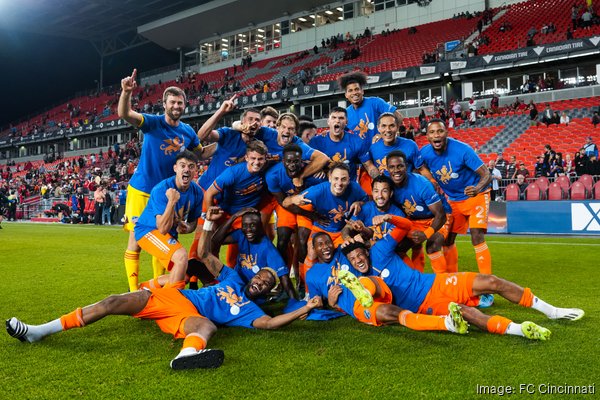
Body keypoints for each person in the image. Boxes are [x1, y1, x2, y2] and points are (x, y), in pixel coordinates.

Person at [6, 207, 323, 371]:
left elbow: (269, 323)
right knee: (114, 301)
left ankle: (187, 355)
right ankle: (40, 330)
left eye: (266, 284)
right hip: (174, 295)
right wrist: (209, 222)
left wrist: (306, 308)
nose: (261, 282)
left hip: (187, 314)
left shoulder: (252, 310)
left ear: (266, 292)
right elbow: (207, 254)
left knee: (206, 324)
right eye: (261, 277)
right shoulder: (232, 279)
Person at [340, 214, 584, 340]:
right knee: (467, 314)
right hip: (424, 306)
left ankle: (552, 311)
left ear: (366, 251)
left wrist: (389, 218)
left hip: (434, 282)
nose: (358, 260)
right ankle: (520, 329)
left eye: (360, 254)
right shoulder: (363, 278)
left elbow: (404, 227)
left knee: (491, 282)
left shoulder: (380, 251)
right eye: (352, 260)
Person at [118, 69, 205, 292]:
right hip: (142, 189)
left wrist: (232, 145)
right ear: (164, 104)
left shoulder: (188, 132)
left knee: (164, 240)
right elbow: (125, 114)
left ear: (185, 105)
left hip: (167, 194)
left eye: (180, 103)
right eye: (172, 102)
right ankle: (133, 292)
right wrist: (126, 92)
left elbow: (201, 153)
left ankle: (159, 292)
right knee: (135, 242)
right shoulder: (153, 123)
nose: (176, 106)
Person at [305, 232, 467, 333]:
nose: (326, 247)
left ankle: (363, 290)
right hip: (356, 306)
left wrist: (356, 235)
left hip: (373, 284)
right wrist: (331, 303)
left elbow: (359, 242)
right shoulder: (312, 275)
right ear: (313, 249)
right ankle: (447, 323)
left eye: (328, 243)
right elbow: (316, 303)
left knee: (367, 282)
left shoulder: (342, 251)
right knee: (397, 315)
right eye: (320, 245)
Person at [420, 119, 493, 275]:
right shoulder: (425, 153)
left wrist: (477, 188)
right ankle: (452, 280)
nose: (436, 135)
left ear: (446, 133)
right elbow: (417, 166)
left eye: (440, 131)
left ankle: (488, 286)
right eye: (432, 132)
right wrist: (430, 179)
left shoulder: (463, 150)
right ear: (427, 136)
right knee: (448, 240)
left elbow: (487, 174)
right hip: (453, 199)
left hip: (476, 196)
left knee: (476, 235)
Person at [283, 162, 368, 283]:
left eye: (343, 179)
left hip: (342, 230)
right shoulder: (317, 191)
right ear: (329, 178)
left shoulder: (355, 188)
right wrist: (293, 198)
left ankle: (349, 286)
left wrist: (359, 203)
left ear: (349, 180)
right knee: (311, 254)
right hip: (321, 229)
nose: (339, 183)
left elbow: (366, 200)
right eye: (336, 178)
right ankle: (306, 288)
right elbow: (286, 203)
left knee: (347, 256)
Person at [134, 151, 204, 289]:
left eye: (191, 166)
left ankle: (144, 288)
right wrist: (171, 201)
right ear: (175, 168)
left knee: (183, 276)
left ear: (196, 169)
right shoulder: (162, 189)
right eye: (182, 165)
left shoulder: (197, 192)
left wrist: (186, 228)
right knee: (181, 257)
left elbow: (192, 224)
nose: (186, 170)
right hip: (148, 230)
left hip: (169, 234)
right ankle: (171, 303)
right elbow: (162, 229)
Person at [337, 71, 403, 192]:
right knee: (370, 195)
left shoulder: (375, 102)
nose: (354, 93)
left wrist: (384, 133)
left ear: (362, 91)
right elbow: (339, 134)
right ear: (346, 95)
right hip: (365, 162)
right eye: (350, 90)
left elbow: (398, 116)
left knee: (394, 190)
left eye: (357, 89)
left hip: (384, 156)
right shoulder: (346, 114)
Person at [211, 208, 297, 300]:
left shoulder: (268, 249)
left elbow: (285, 280)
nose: (248, 230)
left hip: (253, 291)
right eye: (245, 225)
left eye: (253, 225)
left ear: (260, 226)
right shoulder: (241, 234)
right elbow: (215, 240)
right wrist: (234, 217)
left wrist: (297, 306)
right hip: (235, 284)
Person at [385, 151, 450, 273]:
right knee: (397, 248)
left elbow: (440, 216)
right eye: (392, 167)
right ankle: (414, 278)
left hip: (436, 218)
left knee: (432, 246)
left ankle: (443, 282)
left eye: (400, 166)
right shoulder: (388, 184)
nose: (396, 170)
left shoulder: (422, 184)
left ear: (406, 167)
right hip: (413, 220)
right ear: (387, 169)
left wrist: (426, 234)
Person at [308, 107, 370, 182]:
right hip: (325, 185)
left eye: (341, 118)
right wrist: (316, 168)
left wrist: (382, 181)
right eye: (334, 117)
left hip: (348, 186)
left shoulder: (356, 141)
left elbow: (368, 165)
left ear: (346, 122)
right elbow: (306, 162)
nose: (337, 121)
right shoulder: (316, 142)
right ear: (328, 121)